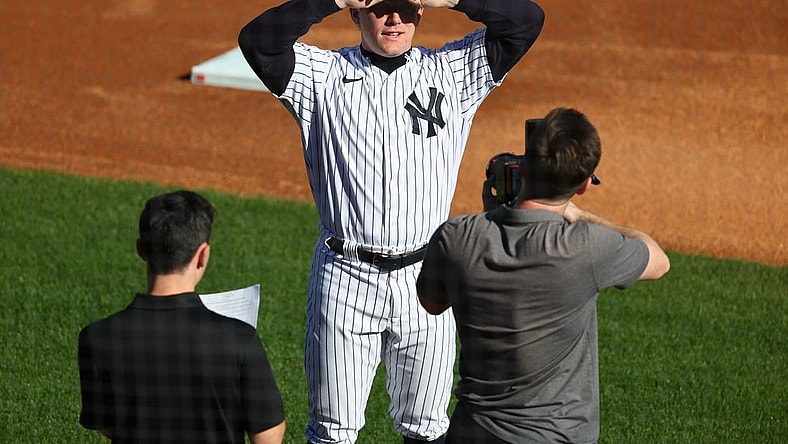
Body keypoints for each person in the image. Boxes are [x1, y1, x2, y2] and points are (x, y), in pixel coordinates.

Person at [237, 0, 544, 442]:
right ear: (357, 14)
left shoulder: (454, 73)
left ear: (421, 12)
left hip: (427, 278)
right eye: (380, 8)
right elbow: (258, 41)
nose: (394, 19)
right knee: (332, 430)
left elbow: (525, 22)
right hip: (345, 277)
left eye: (404, 7)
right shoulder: (320, 77)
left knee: (427, 427)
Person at [416, 107, 671, 443]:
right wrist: (579, 216)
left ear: (521, 167)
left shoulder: (456, 237)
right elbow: (658, 261)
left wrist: (492, 215)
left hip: (474, 432)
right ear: (583, 186)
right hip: (558, 435)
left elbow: (431, 303)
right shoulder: (587, 248)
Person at [77, 190, 286, 444]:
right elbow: (268, 435)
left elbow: (108, 426)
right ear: (202, 255)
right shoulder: (239, 339)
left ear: (141, 250)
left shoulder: (97, 338)